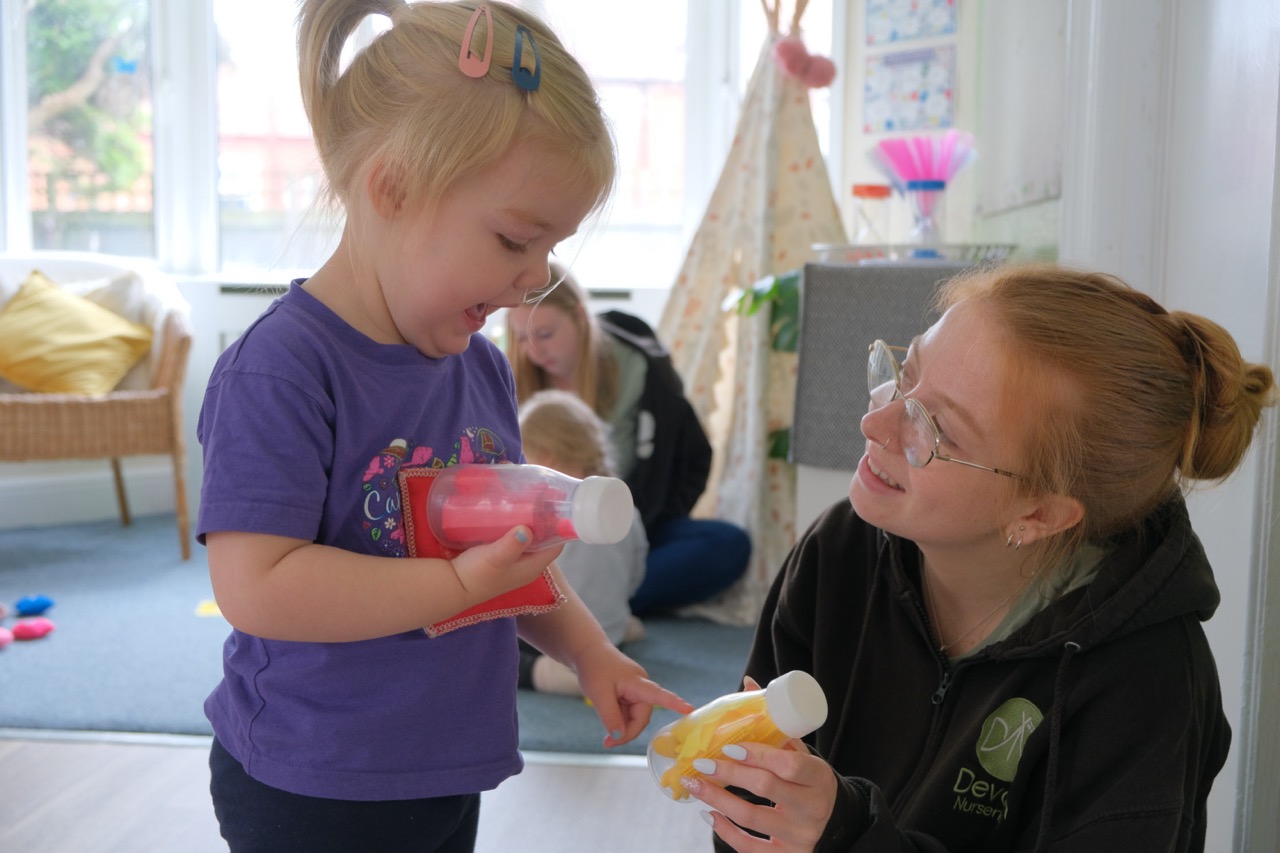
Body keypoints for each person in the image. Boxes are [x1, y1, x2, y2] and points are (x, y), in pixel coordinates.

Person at [196, 3, 691, 851]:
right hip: (310, 779)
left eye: (549, 250)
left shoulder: (480, 365)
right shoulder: (282, 370)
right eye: (513, 240)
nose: (536, 278)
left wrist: (588, 651)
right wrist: (459, 588)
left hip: (446, 765)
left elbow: (509, 550)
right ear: (392, 188)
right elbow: (258, 585)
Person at [681, 263, 1277, 852]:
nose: (874, 422)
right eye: (904, 372)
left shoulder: (1147, 687)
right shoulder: (840, 552)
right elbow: (746, 820)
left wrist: (848, 837)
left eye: (935, 429)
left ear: (1038, 514)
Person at [505, 263, 751, 615]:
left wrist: (645, 520)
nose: (534, 351)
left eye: (545, 334)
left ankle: (593, 598)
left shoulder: (640, 373)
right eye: (523, 339)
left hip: (629, 531)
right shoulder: (511, 382)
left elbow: (693, 457)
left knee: (728, 544)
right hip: (550, 538)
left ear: (579, 316)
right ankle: (597, 600)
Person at [515, 388, 649, 695]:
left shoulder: (540, 513)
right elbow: (636, 573)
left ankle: (544, 674)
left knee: (488, 643)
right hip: (608, 636)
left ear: (544, 459)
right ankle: (617, 625)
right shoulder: (627, 509)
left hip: (554, 641)